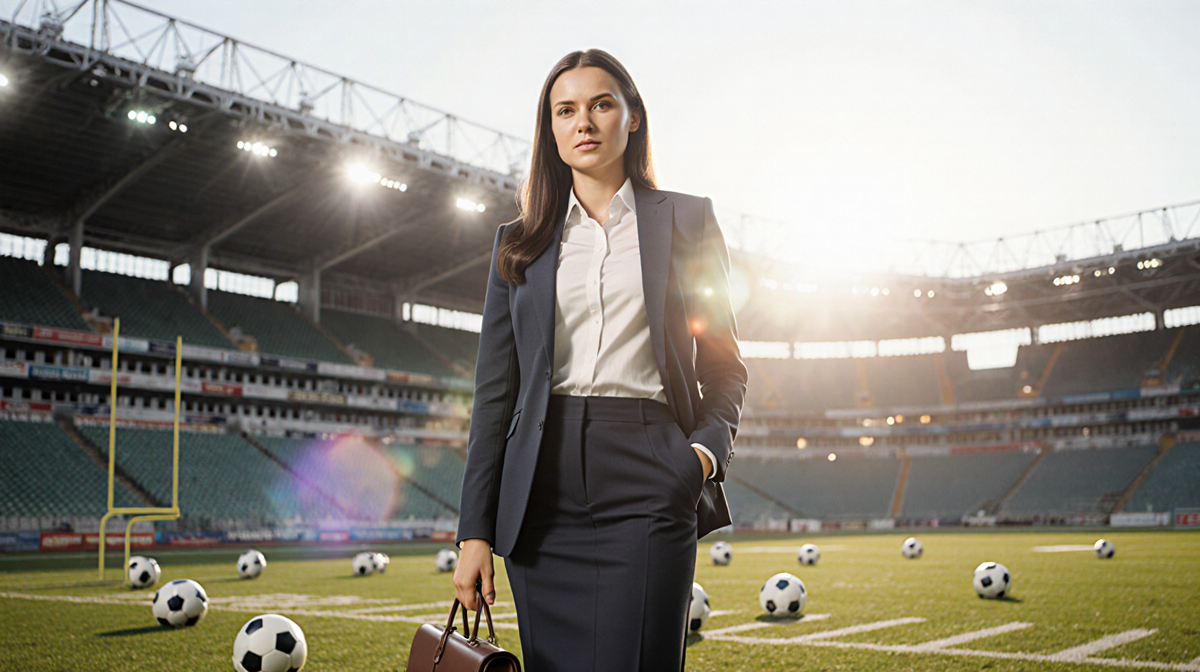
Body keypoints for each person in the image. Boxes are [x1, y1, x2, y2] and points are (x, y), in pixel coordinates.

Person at [453, 48, 747, 672]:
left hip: (648, 470)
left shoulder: (688, 221)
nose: (582, 121)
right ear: (551, 129)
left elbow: (724, 366)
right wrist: (473, 531)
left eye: (600, 104)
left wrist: (699, 458)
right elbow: (494, 394)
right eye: (566, 110)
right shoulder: (519, 241)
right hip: (538, 489)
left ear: (632, 117)